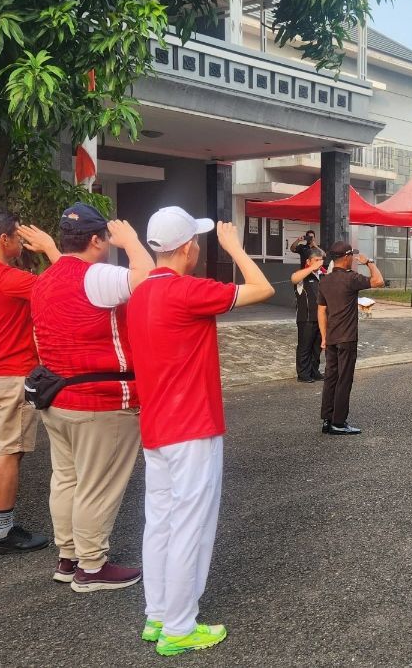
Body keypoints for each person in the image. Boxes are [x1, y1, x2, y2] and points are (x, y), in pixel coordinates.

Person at [128, 208, 274, 656]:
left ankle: (158, 615)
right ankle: (179, 627)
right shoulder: (186, 291)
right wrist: (235, 248)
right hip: (192, 425)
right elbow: (264, 288)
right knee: (191, 525)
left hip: (157, 425)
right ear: (188, 247)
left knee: (161, 524)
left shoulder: (140, 293)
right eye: (198, 242)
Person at [30, 203, 153, 591]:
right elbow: (149, 281)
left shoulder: (44, 279)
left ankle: (68, 558)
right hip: (101, 399)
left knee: (66, 480)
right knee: (97, 486)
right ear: (97, 239)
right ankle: (92, 566)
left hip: (57, 396)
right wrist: (133, 242)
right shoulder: (99, 276)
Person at [0, 210, 60, 554]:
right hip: (11, 374)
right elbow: (62, 287)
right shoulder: (10, 278)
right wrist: (49, 249)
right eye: (18, 238)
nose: (21, 243)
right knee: (9, 452)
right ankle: (2, 533)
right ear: (4, 240)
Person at [317, 241, 383, 435]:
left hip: (331, 337)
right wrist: (369, 262)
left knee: (331, 378)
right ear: (346, 258)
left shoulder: (325, 280)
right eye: (351, 256)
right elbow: (378, 281)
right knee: (344, 379)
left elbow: (321, 311)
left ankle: (327, 420)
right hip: (346, 337)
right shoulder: (351, 278)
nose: (353, 259)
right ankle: (339, 422)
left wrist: (323, 336)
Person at [291, 247, 326, 383]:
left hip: (320, 318)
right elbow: (294, 278)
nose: (319, 263)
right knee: (305, 346)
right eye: (316, 260)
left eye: (320, 260)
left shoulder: (322, 275)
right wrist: (311, 268)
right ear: (308, 261)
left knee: (317, 347)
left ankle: (314, 370)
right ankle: (303, 374)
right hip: (305, 318)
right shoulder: (302, 276)